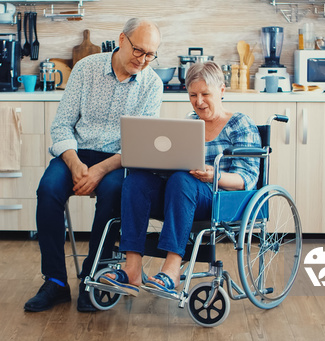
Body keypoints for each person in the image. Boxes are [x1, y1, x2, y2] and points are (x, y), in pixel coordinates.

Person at [24, 18, 163, 312]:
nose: (143, 60)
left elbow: (139, 145)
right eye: (139, 50)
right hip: (77, 152)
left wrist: (100, 170)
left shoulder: (152, 84)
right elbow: (62, 125)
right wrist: (74, 163)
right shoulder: (86, 69)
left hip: (118, 160)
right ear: (122, 40)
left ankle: (92, 278)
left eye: (150, 55)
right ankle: (55, 282)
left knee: (114, 194)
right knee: (47, 190)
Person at [100, 61, 261, 296]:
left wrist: (214, 175)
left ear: (222, 91)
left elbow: (247, 179)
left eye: (205, 94)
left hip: (219, 199)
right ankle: (132, 269)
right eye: (193, 95)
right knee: (137, 181)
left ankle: (172, 269)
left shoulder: (239, 124)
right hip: (182, 196)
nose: (199, 102)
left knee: (181, 181)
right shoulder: (189, 123)